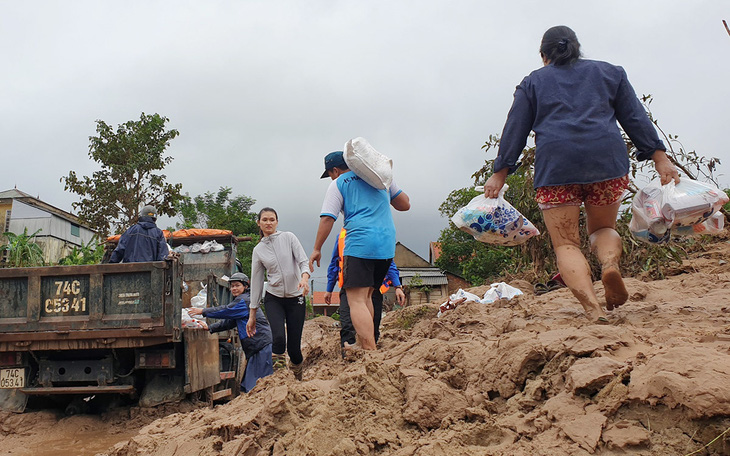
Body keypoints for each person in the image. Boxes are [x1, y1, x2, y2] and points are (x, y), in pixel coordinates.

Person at [483, 26, 679, 324]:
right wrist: (659, 158)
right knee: (602, 229)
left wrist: (500, 173)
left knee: (566, 244)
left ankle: (592, 308)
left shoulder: (533, 82)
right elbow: (635, 117)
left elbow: (515, 129)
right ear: (577, 48)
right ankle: (609, 265)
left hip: (556, 168)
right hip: (607, 163)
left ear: (543, 56)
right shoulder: (610, 73)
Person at [309, 151, 410, 350]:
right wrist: (388, 185)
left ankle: (370, 350)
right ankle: (367, 344)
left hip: (361, 243)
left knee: (355, 300)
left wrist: (316, 248)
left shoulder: (339, 183)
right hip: (386, 244)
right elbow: (405, 204)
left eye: (330, 173)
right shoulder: (379, 177)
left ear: (335, 170)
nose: (331, 177)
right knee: (367, 296)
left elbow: (328, 218)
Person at [246, 207, 310, 380]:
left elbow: (303, 261)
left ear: (277, 222)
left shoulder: (288, 237)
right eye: (265, 220)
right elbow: (257, 281)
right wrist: (252, 314)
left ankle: (297, 377)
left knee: (294, 349)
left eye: (272, 219)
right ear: (258, 223)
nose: (268, 223)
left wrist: (304, 278)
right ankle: (280, 379)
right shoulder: (258, 250)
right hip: (273, 298)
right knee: (279, 339)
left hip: (296, 297)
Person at [323, 228, 406, 356]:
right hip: (349, 287)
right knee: (347, 326)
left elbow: (388, 262)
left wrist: (397, 286)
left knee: (372, 327)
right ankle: (348, 361)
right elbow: (335, 262)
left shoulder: (376, 233)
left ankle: (370, 358)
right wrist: (329, 289)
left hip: (372, 289)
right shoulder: (342, 237)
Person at [188, 272, 273, 393]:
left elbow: (225, 310)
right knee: (250, 386)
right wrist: (210, 327)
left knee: (259, 385)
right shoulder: (243, 301)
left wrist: (203, 311)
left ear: (245, 286)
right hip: (256, 347)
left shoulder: (244, 301)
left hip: (260, 346)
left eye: (237, 285)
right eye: (232, 286)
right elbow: (229, 323)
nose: (234, 288)